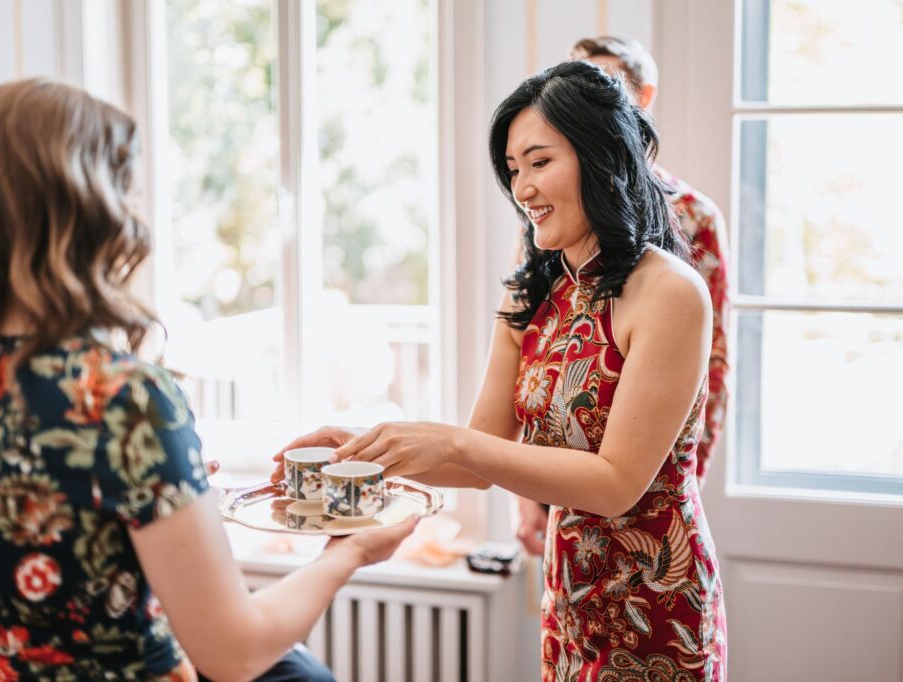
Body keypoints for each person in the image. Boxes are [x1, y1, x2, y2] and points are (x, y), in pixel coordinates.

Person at [0, 78, 417, 681]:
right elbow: (234, 652)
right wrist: (350, 551)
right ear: (92, 212)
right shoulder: (123, 399)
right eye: (126, 193)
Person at [279, 61, 726, 681]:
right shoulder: (537, 291)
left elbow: (616, 482)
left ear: (602, 157)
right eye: (513, 170)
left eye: (540, 162)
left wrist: (454, 440)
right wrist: (360, 452)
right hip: (570, 601)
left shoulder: (670, 293)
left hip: (658, 606)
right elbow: (476, 460)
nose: (523, 188)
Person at [515, 36, 732, 557]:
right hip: (565, 499)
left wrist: (684, 477)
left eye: (605, 88)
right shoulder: (549, 233)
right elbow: (536, 355)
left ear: (643, 99)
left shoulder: (692, 225)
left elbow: (713, 362)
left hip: (646, 506)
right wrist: (523, 494)